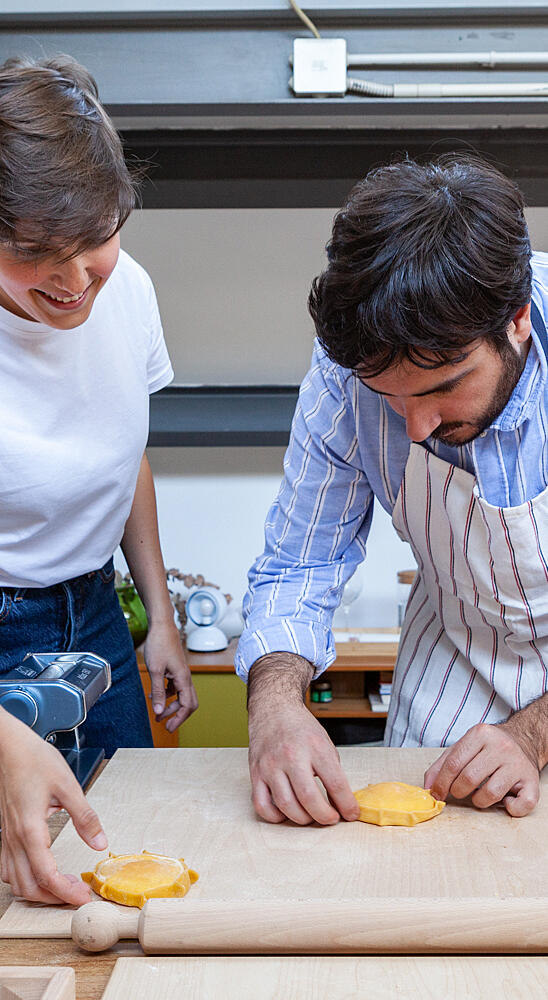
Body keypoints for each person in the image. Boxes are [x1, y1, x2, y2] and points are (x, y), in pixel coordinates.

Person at [235, 155, 548, 828]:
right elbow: (301, 563)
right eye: (390, 398)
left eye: (443, 389)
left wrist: (532, 733)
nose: (416, 427)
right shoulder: (347, 368)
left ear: (517, 320)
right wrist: (275, 706)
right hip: (454, 669)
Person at [0, 55, 197, 905]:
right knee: (20, 893)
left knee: (121, 862)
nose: (76, 281)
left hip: (96, 620)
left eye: (97, 242)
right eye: (37, 253)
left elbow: (125, 458)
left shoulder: (130, 291)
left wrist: (160, 619)